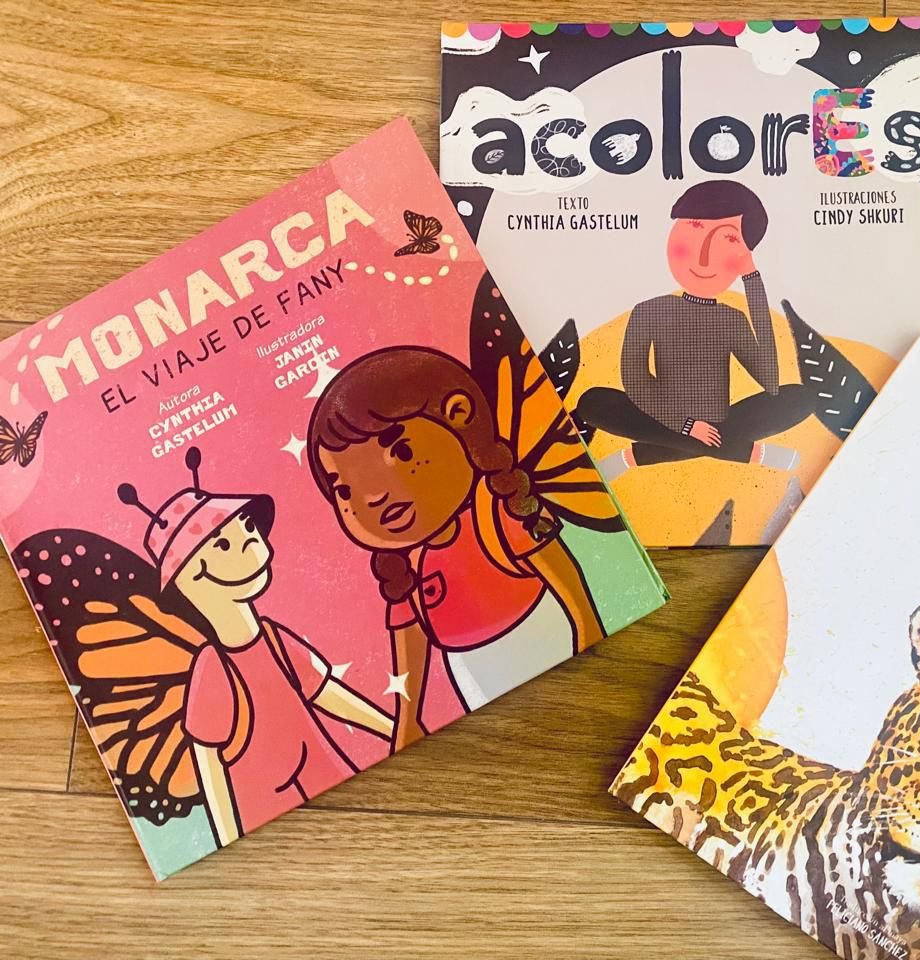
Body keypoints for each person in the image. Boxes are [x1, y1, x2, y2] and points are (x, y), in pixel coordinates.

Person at [307, 346, 607, 750]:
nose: (373, 496)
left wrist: (589, 630)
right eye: (345, 490)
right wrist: (408, 720)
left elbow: (561, 571)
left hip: (550, 641)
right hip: (472, 678)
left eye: (399, 452)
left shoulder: (495, 512)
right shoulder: (408, 564)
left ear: (459, 415)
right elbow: (410, 642)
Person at [118, 448, 394, 845]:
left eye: (246, 526)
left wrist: (395, 728)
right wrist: (227, 842)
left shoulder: (274, 638)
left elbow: (325, 693)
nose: (252, 539)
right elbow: (211, 769)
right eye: (223, 544)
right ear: (192, 577)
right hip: (268, 824)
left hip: (335, 777)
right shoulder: (213, 669)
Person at [578, 180, 812, 480]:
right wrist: (686, 425)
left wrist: (753, 283)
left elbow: (770, 382)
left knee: (799, 398)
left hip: (711, 421)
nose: (703, 257)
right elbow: (636, 379)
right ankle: (750, 452)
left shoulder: (731, 318)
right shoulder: (650, 310)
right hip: (660, 416)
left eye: (728, 240)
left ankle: (634, 457)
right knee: (594, 402)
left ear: (744, 257)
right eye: (696, 227)